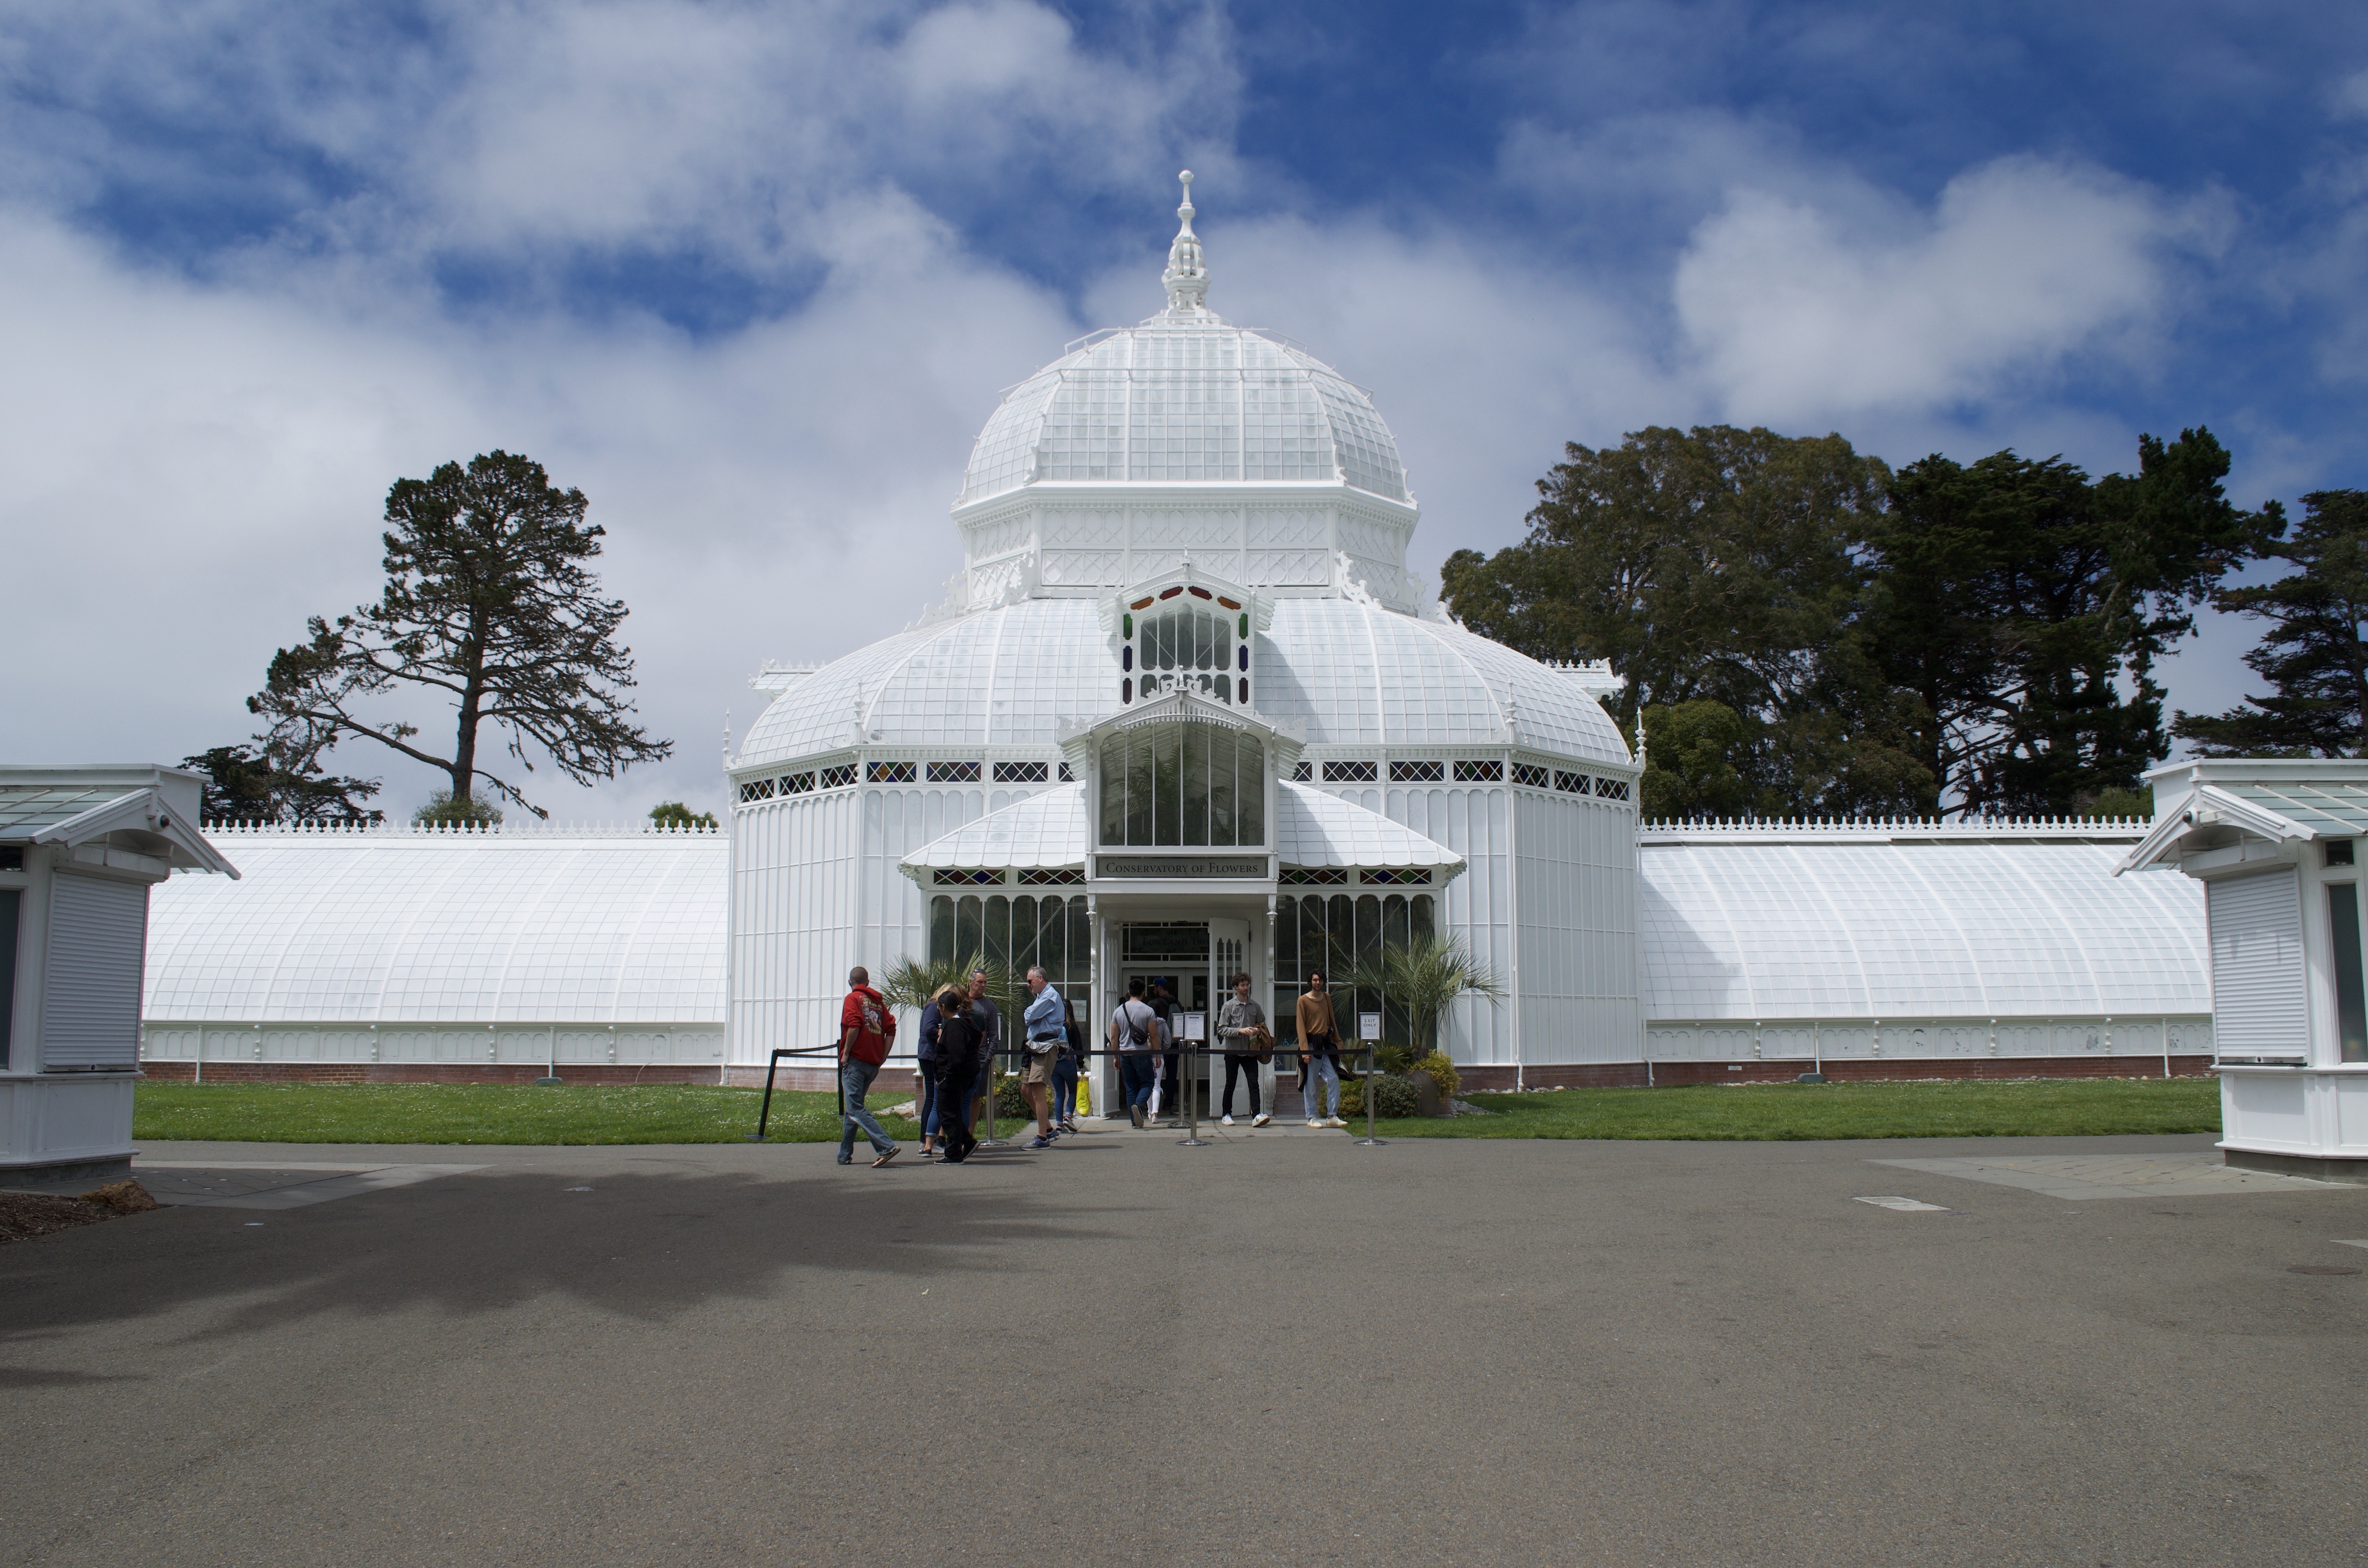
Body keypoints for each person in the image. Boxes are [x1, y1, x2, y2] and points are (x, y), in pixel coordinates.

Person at [836, 965, 902, 1166]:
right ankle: (844, 1154)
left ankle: (886, 1146)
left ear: (850, 983)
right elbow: (891, 1029)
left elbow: (854, 1025)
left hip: (856, 1061)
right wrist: (882, 1056)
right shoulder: (878, 1003)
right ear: (868, 982)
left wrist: (846, 1052)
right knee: (852, 1108)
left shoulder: (852, 999)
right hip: (872, 1063)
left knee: (855, 1107)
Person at [932, 984, 982, 1163]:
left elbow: (956, 1054)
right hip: (962, 1075)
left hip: (953, 1077)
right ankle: (967, 1142)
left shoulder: (954, 1026)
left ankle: (954, 1152)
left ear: (944, 1007)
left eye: (939, 1007)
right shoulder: (965, 1023)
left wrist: (946, 1076)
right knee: (952, 1112)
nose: (938, 1010)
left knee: (947, 1113)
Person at [1215, 970, 1270, 1127]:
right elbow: (1221, 1029)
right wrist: (1239, 1031)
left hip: (1250, 1051)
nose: (1246, 988)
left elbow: (1262, 1024)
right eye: (1242, 985)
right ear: (1236, 987)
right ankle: (1226, 1114)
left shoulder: (1255, 1006)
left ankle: (1257, 1115)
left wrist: (1258, 1031)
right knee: (1230, 1083)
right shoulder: (1228, 1006)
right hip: (1233, 1051)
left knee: (1254, 1083)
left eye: (1247, 985)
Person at [1020, 965, 1065, 1149]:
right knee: (1025, 1090)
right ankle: (1048, 1129)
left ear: (1040, 978)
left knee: (1038, 1091)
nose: (1028, 985)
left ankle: (1042, 1138)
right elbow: (1029, 1016)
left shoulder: (1050, 996)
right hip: (1033, 1047)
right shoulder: (1041, 997)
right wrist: (1031, 1015)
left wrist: (1030, 1014)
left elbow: (1029, 1015)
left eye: (1030, 981)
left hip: (1045, 1048)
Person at [1110, 977, 1162, 1129]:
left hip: (1125, 1054)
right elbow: (1154, 1035)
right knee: (1148, 1083)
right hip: (1142, 1053)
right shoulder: (1148, 1010)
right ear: (1143, 993)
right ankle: (1139, 1106)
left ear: (1128, 992)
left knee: (1130, 1088)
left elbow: (1114, 1037)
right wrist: (1157, 1055)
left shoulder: (1118, 1011)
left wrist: (1115, 1056)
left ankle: (1134, 1121)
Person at [1296, 968, 1346, 1128]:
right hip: (1311, 1046)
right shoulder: (1303, 1000)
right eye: (1315, 980)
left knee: (1333, 1079)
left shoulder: (1326, 997)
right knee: (1310, 1083)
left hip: (1325, 1045)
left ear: (1324, 982)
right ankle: (1311, 1117)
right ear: (1310, 982)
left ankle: (1332, 1116)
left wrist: (1337, 1040)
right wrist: (1305, 1051)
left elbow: (1332, 1019)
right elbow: (1300, 1027)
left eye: (1320, 980)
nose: (1318, 983)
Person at [964, 968, 1001, 1140]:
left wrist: (987, 1058)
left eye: (985, 982)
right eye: (980, 982)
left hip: (980, 1059)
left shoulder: (989, 1006)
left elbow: (994, 1035)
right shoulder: (962, 1001)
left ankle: (969, 1135)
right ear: (970, 982)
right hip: (961, 1058)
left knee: (975, 1097)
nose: (983, 986)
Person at [915, 988, 947, 1158]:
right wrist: (941, 1032)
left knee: (935, 1099)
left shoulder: (936, 1007)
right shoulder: (933, 1007)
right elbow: (929, 1029)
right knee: (933, 1100)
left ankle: (930, 1140)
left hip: (932, 1055)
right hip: (930, 1056)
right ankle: (926, 1140)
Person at [1052, 994, 1085, 1134]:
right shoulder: (1072, 1026)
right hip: (1068, 1062)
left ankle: (1059, 1124)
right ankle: (1068, 1116)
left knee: (1059, 1094)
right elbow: (1078, 1046)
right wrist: (1081, 1063)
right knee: (1073, 1091)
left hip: (1054, 1064)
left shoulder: (1053, 1025)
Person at [1147, 979, 1178, 1121]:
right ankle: (1168, 1103)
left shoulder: (1154, 1004)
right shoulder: (1176, 1003)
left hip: (1153, 1050)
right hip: (1173, 1045)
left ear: (1159, 988)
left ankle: (1150, 1110)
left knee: (1151, 1083)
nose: (1154, 990)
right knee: (1171, 1075)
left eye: (1155, 988)